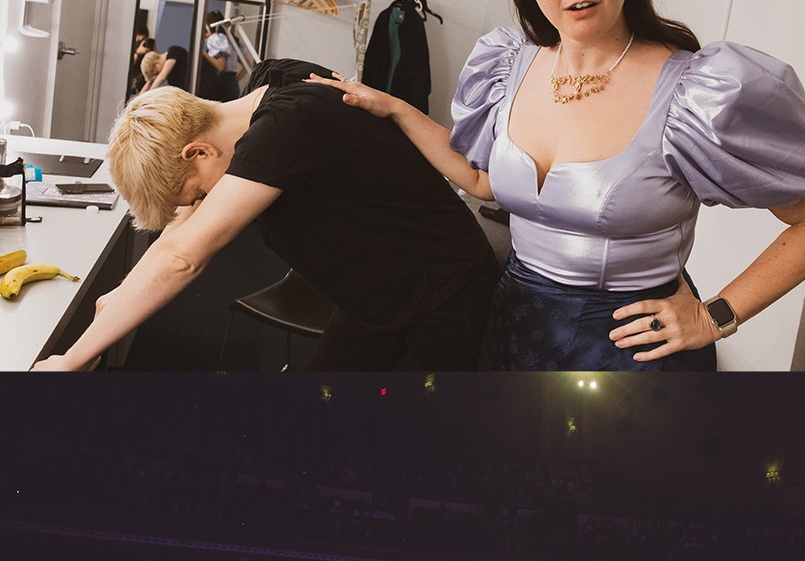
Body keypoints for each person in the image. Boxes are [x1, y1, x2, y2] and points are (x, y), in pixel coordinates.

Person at [312, 0, 805, 370]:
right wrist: (397, 109)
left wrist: (714, 315)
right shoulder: (507, 67)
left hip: (628, 352)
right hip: (514, 324)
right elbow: (483, 182)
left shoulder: (698, 90)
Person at [32, 59, 499, 372]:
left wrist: (70, 360)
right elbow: (182, 231)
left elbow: (185, 256)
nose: (201, 203)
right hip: (375, 294)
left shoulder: (284, 129)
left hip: (442, 289)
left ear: (198, 149)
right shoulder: (271, 81)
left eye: (195, 192)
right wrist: (119, 296)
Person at [198, 11, 241, 102]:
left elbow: (220, 66)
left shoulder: (215, 39)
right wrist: (235, 79)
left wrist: (203, 53)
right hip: (233, 84)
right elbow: (249, 61)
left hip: (223, 84)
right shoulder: (231, 39)